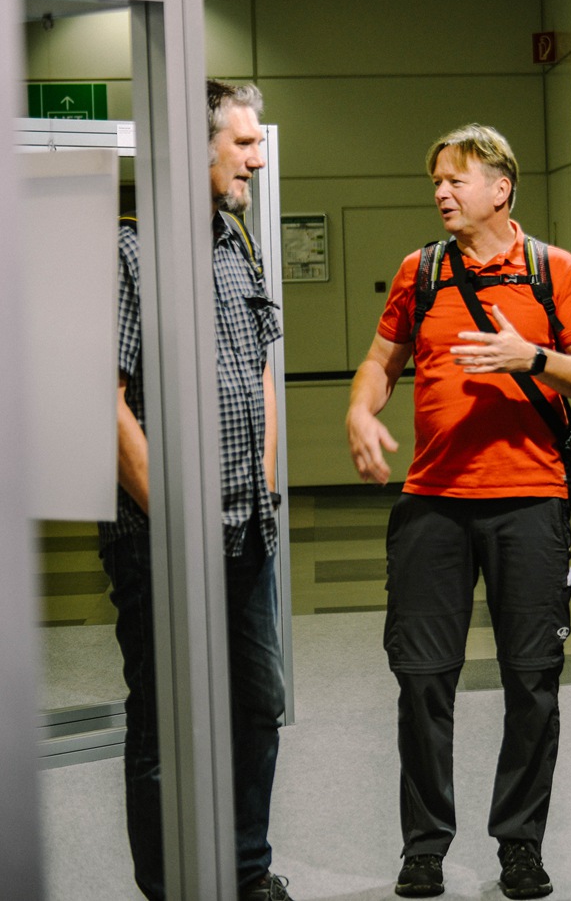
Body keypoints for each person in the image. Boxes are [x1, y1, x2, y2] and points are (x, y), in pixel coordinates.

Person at [346, 124, 571, 900]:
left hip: (530, 505)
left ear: (501, 188)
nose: (441, 191)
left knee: (533, 680)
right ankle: (424, 846)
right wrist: (361, 413)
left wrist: (530, 358)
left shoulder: (552, 273)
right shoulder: (418, 271)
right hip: (432, 506)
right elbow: (379, 360)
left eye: (456, 178)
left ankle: (519, 844)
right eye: (435, 179)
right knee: (422, 680)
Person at [99, 80, 292, 901]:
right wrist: (176, 519)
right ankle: (173, 886)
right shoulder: (129, 254)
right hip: (162, 545)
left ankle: (245, 871)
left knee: (256, 705)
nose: (258, 156)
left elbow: (262, 373)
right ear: (194, 146)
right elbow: (99, 403)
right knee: (166, 726)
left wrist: (268, 489)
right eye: (244, 143)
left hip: (247, 532)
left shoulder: (236, 244)